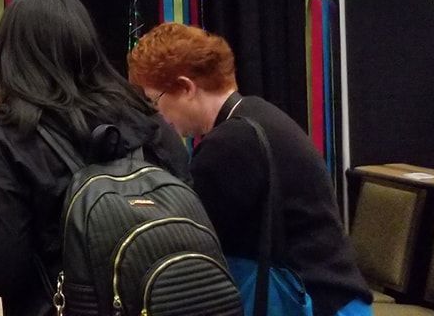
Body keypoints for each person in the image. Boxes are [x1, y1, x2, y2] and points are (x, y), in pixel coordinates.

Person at [0, 0, 190, 316]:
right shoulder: (147, 118)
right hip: (164, 300)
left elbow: (0, 270)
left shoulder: (3, 135)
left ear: (9, 54)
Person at [127, 22, 372, 316]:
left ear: (186, 87)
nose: (158, 116)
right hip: (336, 299)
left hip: (313, 303)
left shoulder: (231, 142)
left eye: (154, 101)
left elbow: (187, 234)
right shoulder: (255, 115)